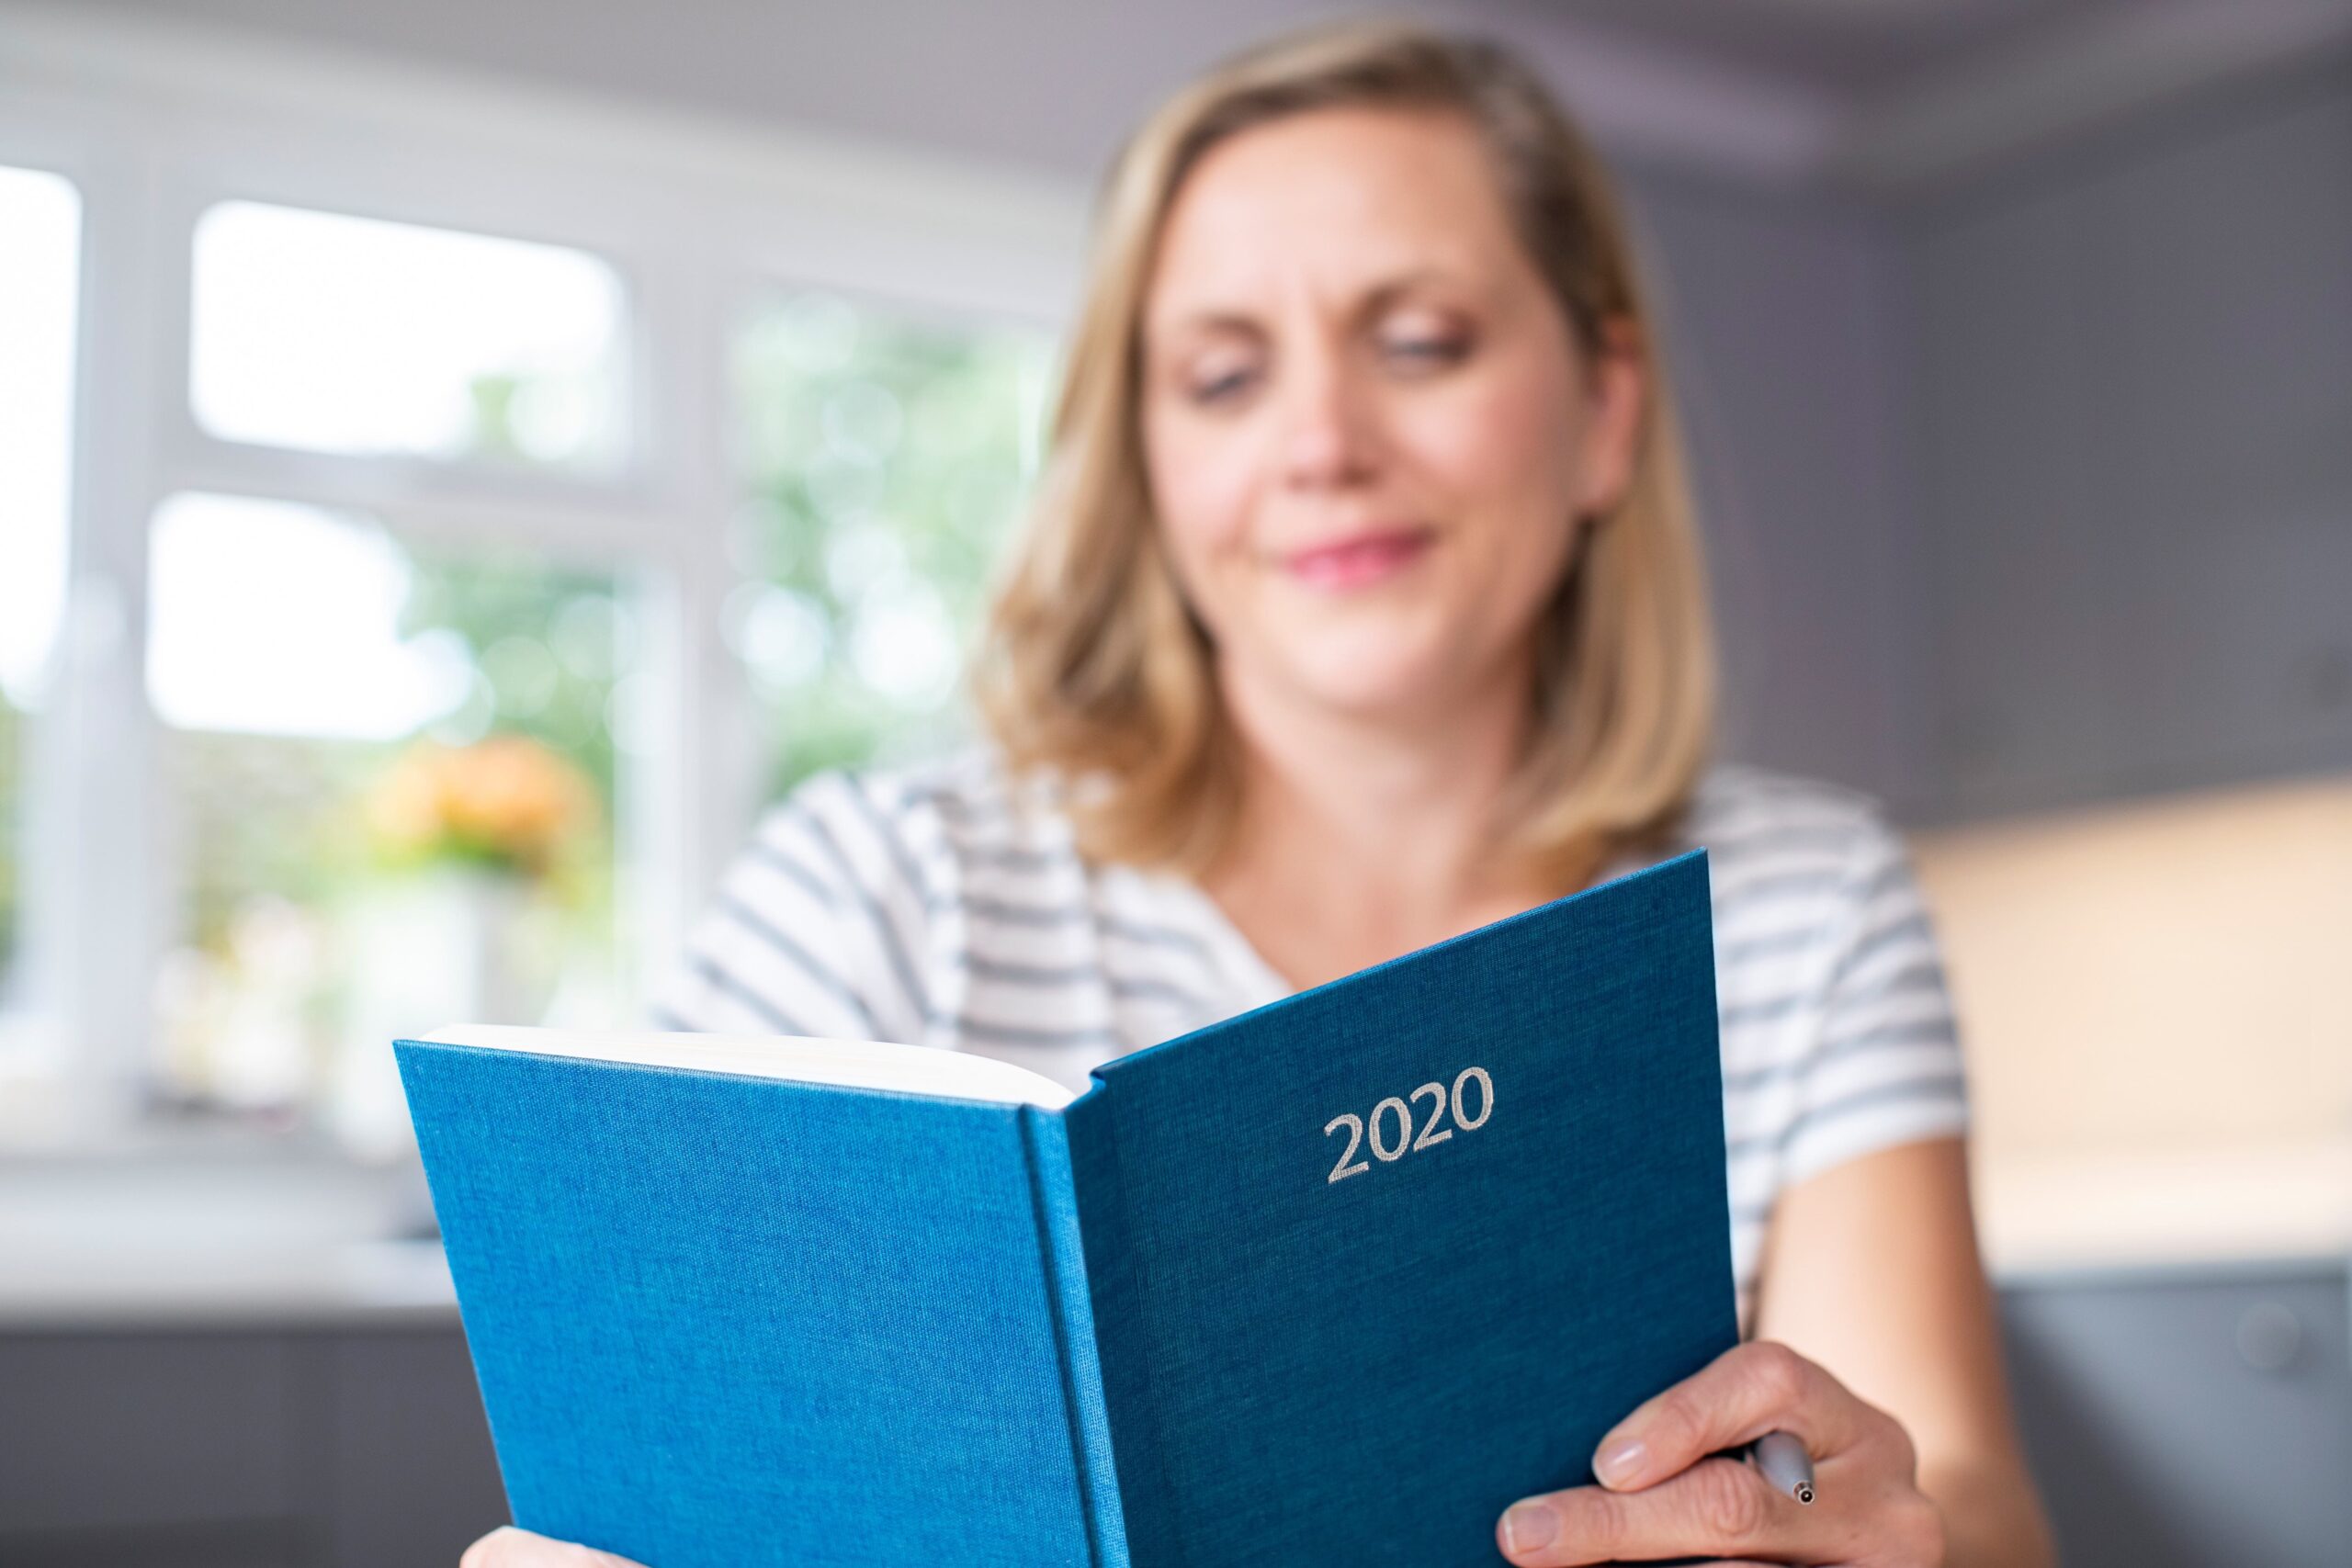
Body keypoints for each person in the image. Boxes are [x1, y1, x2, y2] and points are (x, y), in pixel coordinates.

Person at [464, 21, 2053, 1568]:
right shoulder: (879, 893)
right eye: (1225, 378)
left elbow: (1955, 1488)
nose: (1321, 443)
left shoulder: (1806, 902)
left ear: (1603, 413)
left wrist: (1879, 1539)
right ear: (1149, 467)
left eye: (1421, 344)